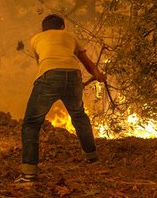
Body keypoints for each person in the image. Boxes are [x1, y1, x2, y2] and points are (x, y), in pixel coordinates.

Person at [18, 14, 107, 183]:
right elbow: (87, 63)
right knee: (79, 116)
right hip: (73, 74)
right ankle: (92, 158)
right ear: (62, 28)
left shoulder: (36, 39)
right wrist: (99, 76)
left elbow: (43, 64)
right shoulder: (70, 36)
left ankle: (29, 172)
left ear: (44, 29)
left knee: (31, 123)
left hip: (49, 75)